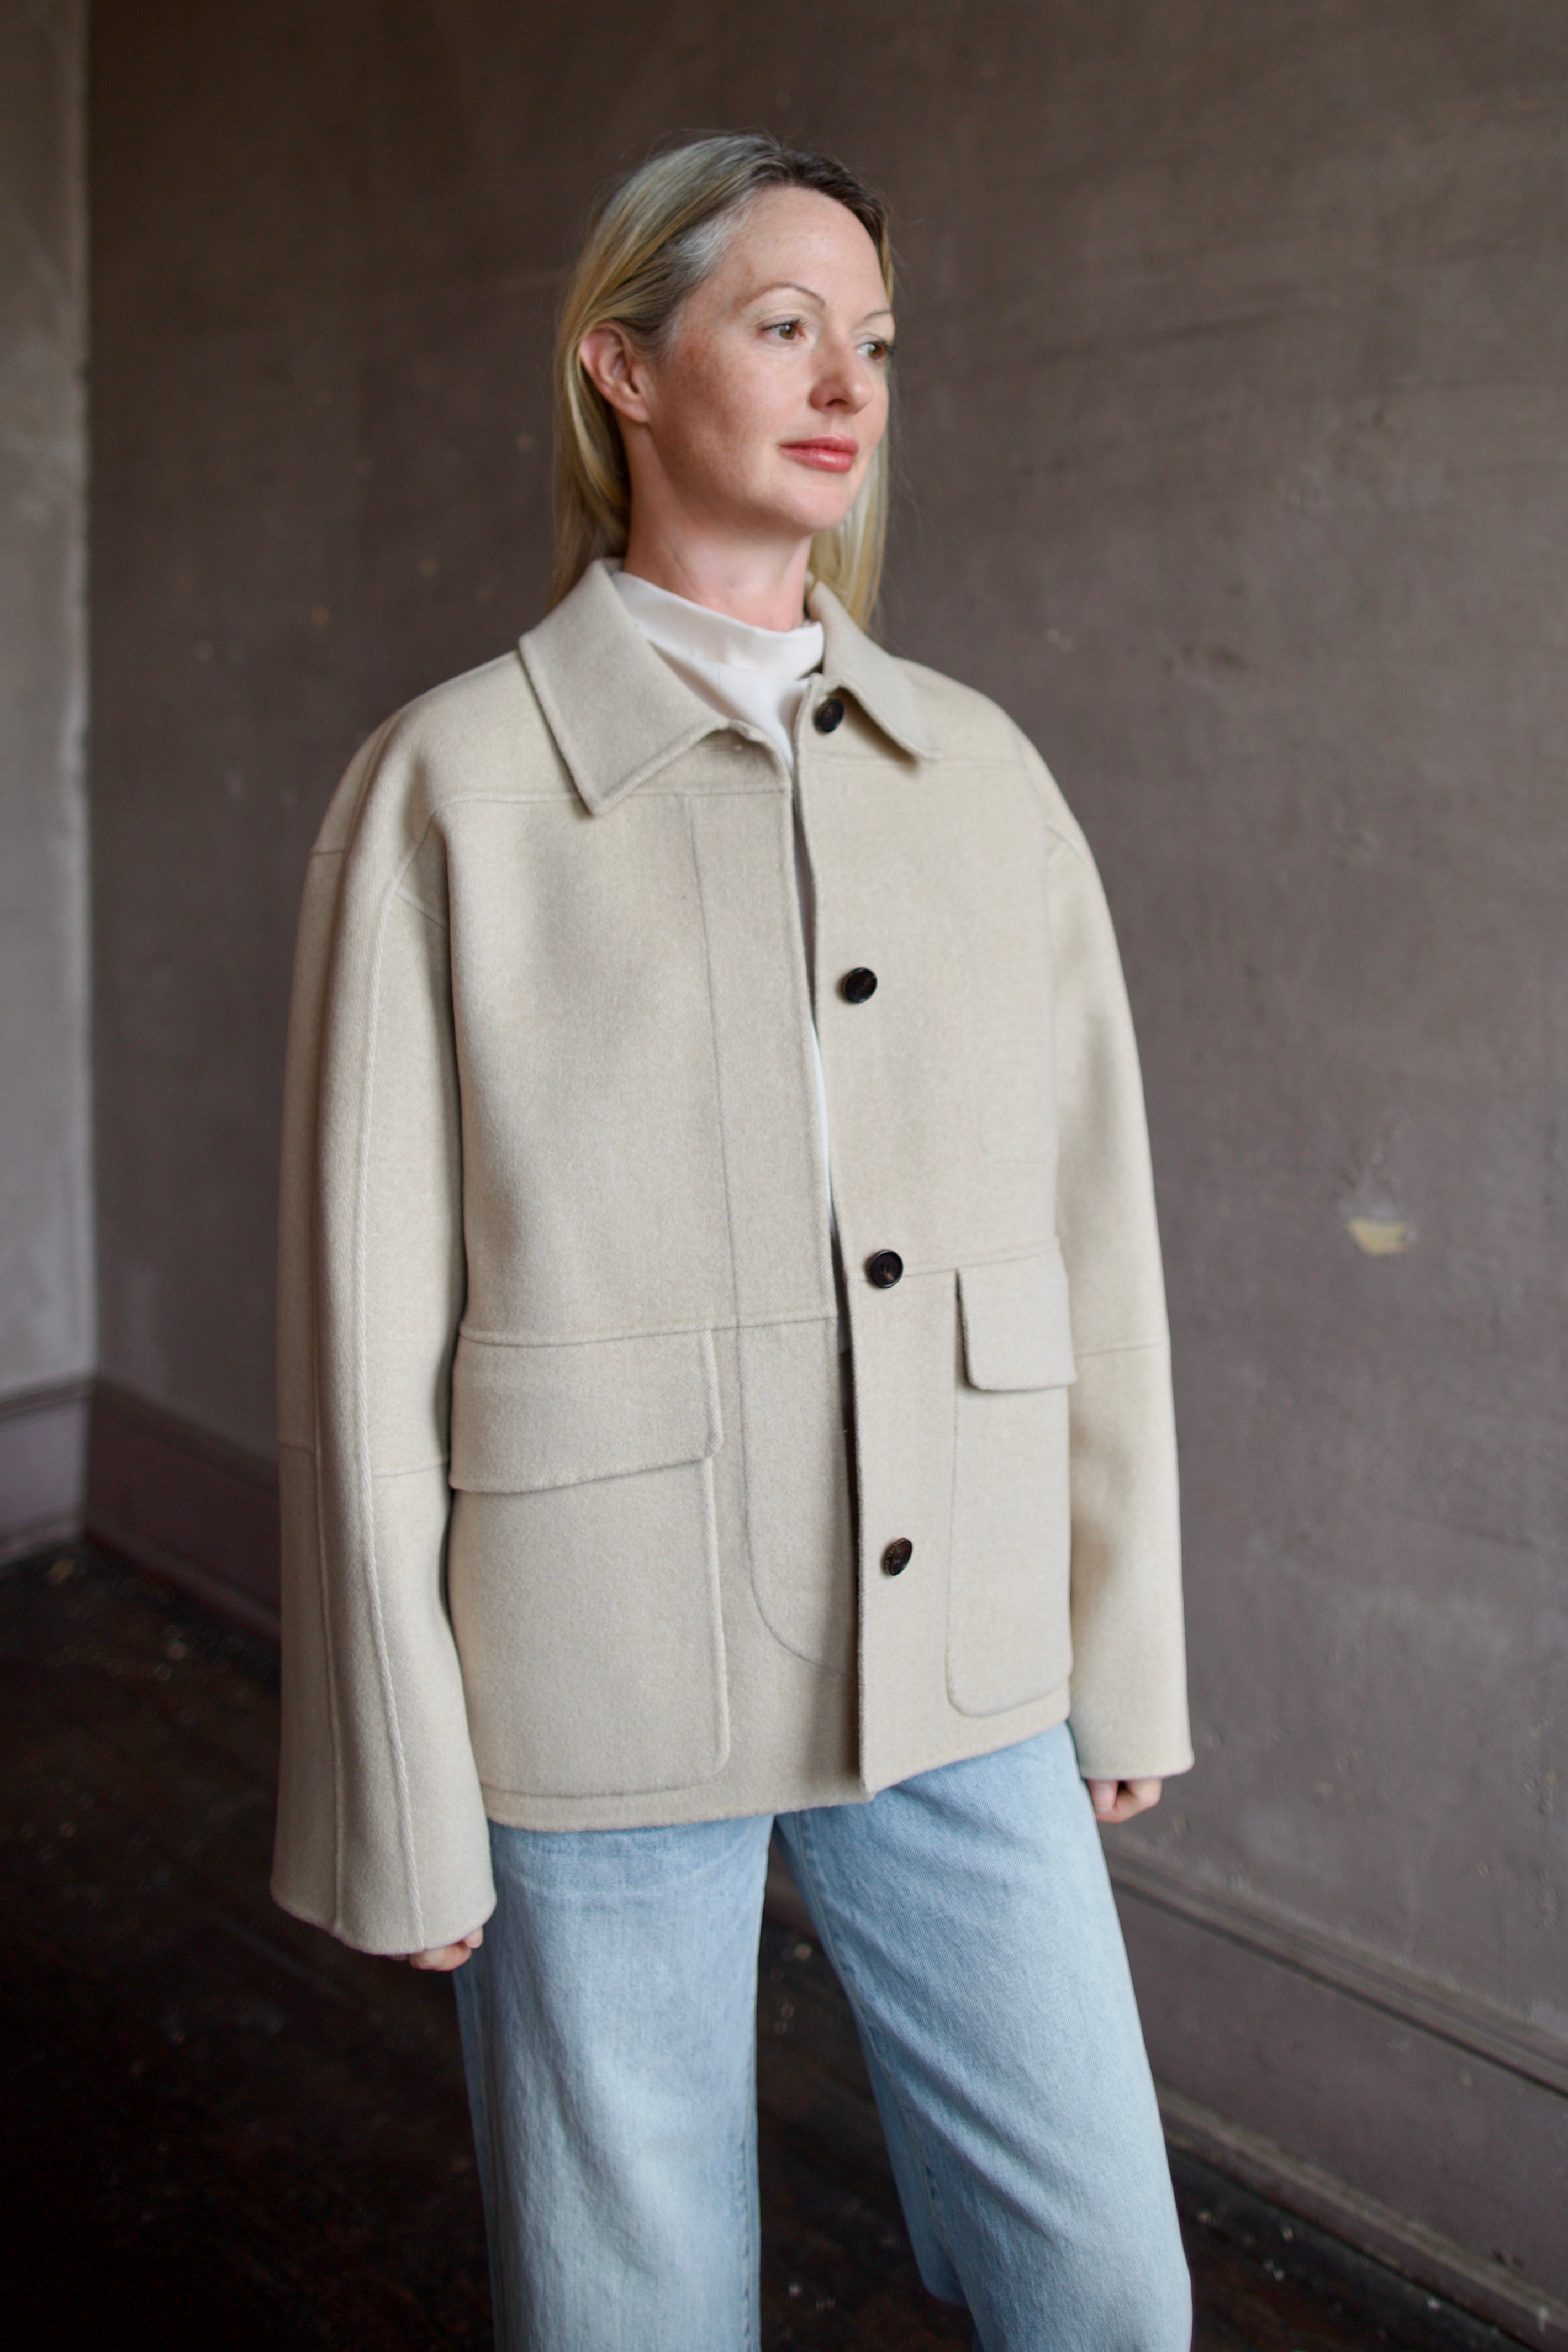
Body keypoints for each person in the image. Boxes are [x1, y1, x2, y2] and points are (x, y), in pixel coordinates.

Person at [271, 131, 1194, 2352]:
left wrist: (1120, 1639)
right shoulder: (451, 792)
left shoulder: (980, 776)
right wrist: (396, 1786)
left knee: (1106, 2290)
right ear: (621, 365)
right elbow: (363, 1328)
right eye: (780, 325)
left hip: (964, 1649)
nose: (842, 383)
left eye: (870, 341)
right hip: (598, 1668)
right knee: (624, 2311)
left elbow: (1094, 1239)